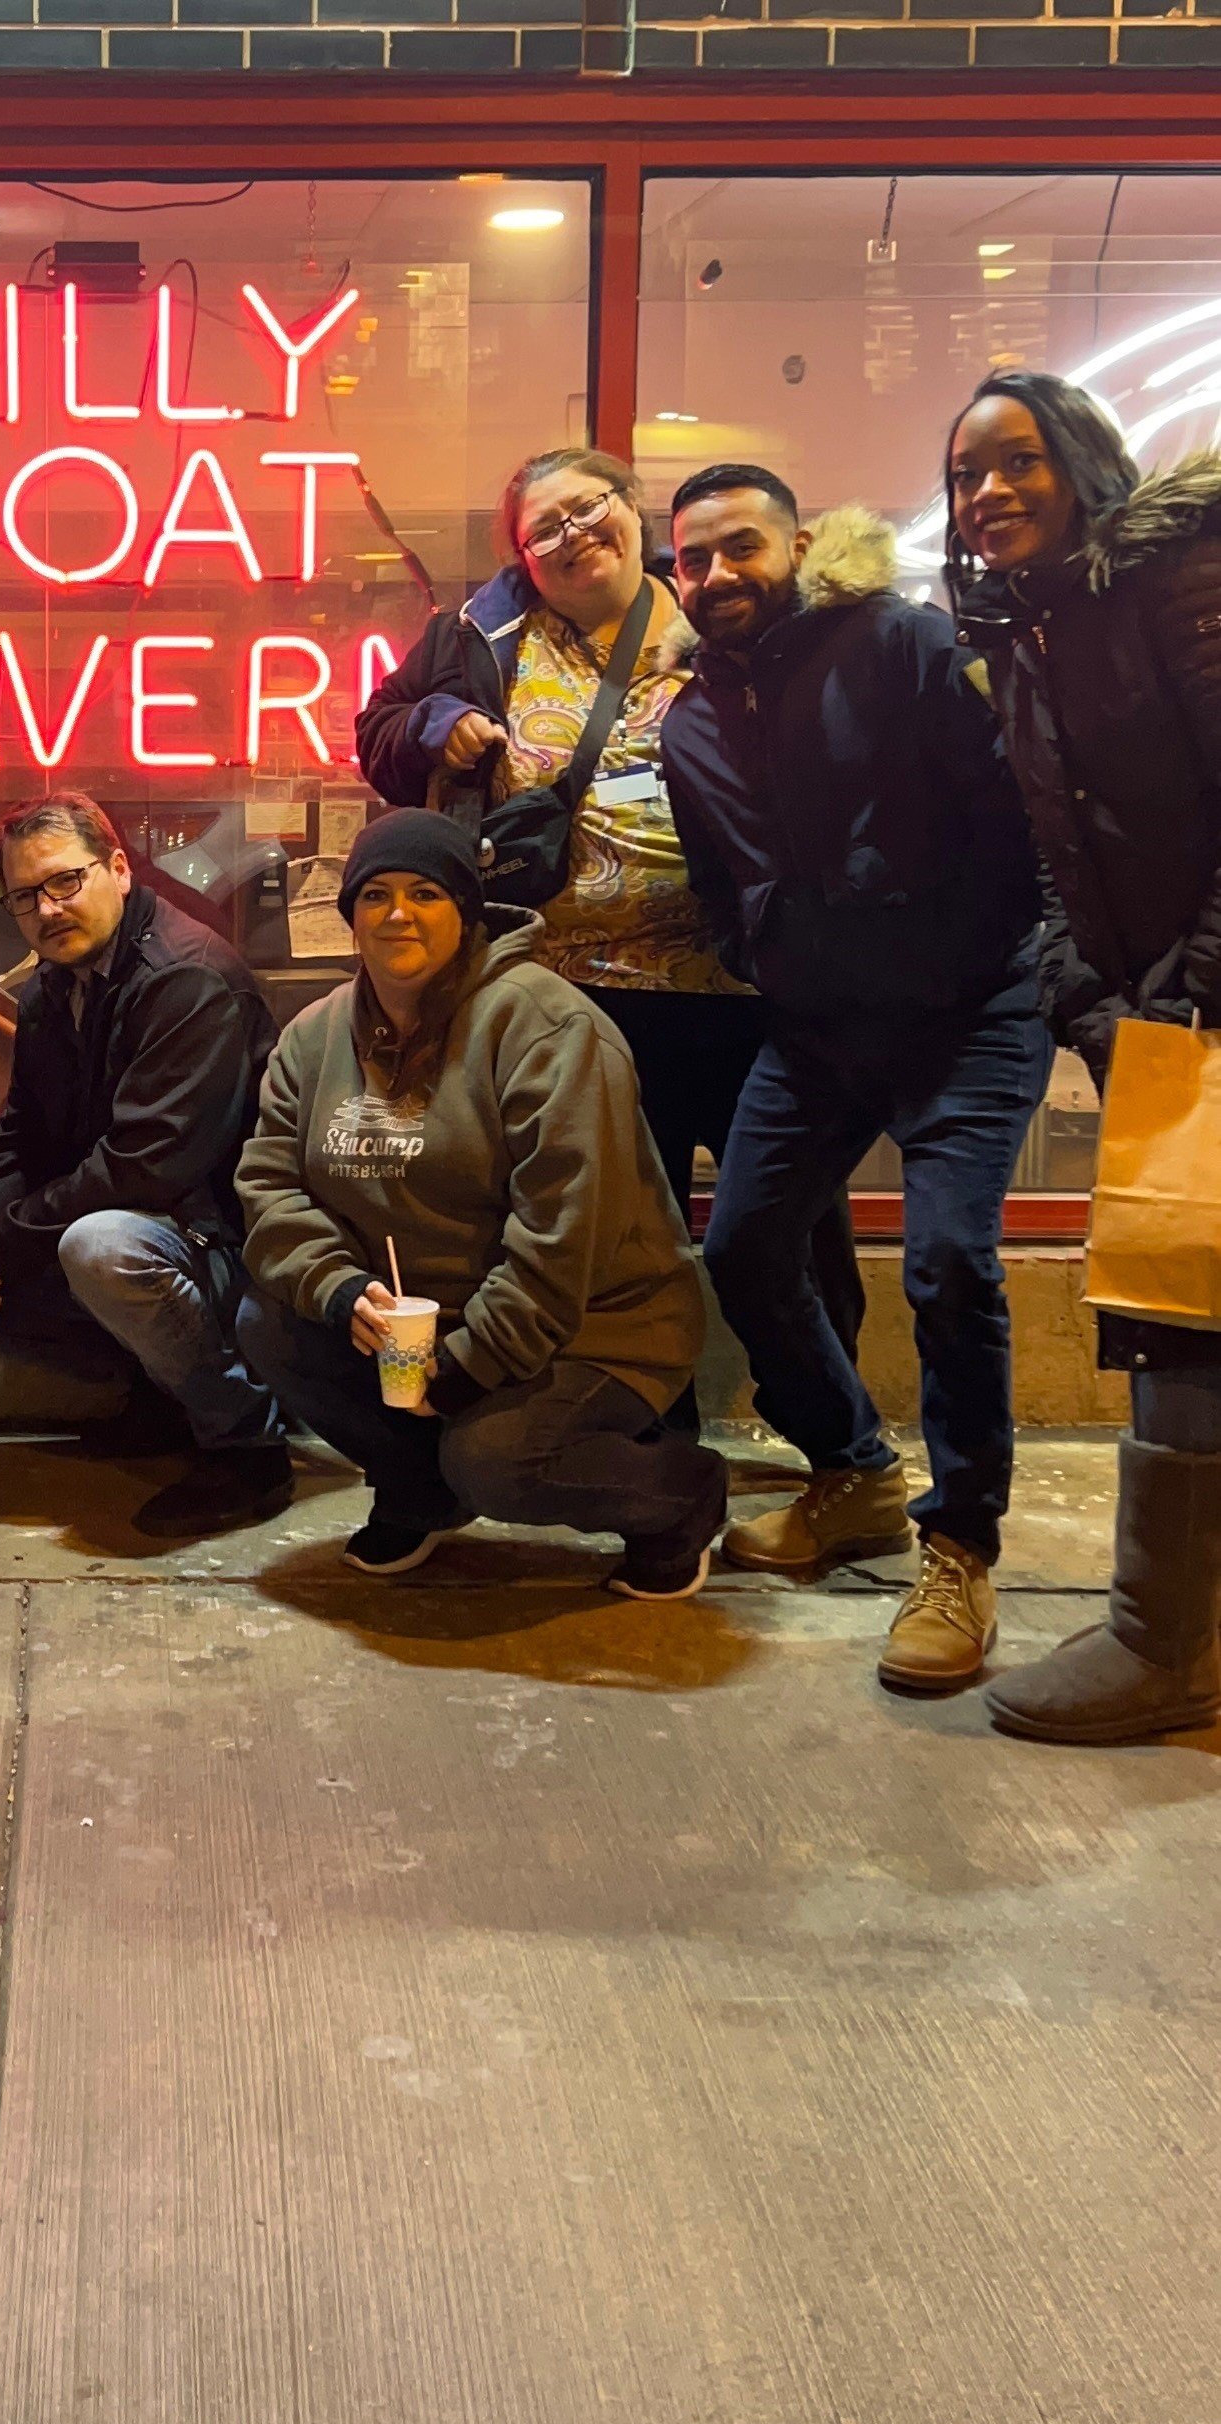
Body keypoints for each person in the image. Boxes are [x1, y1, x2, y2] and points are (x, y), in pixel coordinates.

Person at [660, 463, 1049, 1695]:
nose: (716, 575)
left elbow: (1019, 814)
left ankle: (961, 1549)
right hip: (818, 1020)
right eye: (694, 559)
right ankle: (854, 1469)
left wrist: (978, 947)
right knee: (746, 1246)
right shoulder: (688, 721)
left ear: (800, 544)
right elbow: (720, 884)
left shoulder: (902, 645)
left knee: (947, 1261)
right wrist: (764, 953)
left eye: (740, 548)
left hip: (971, 1009)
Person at [355, 439, 862, 1374]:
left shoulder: (728, 612)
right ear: (522, 556)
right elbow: (378, 733)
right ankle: (650, 1429)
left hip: (750, 986)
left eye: (589, 507)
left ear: (637, 512)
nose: (573, 534)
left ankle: (837, 1436)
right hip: (583, 1003)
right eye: (544, 527)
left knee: (792, 1225)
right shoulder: (482, 636)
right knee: (627, 1242)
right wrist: (433, 722)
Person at [235, 812, 722, 1587]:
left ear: (466, 912)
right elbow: (268, 1184)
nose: (398, 914)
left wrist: (468, 1366)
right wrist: (339, 1290)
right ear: (351, 916)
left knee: (494, 1462)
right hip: (417, 1324)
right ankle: (419, 1492)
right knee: (270, 1323)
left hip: (594, 1327)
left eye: (426, 893)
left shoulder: (549, 1028)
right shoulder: (312, 1038)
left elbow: (563, 1236)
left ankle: (680, 1497)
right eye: (376, 896)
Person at [947, 372, 1221, 1742]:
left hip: (1198, 1020)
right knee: (1179, 1302)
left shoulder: (1175, 580)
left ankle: (1161, 1642)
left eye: (1015, 462)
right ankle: (1173, 1625)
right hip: (1152, 1021)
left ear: (1080, 460)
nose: (988, 492)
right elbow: (1062, 843)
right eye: (966, 477)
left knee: (1185, 1316)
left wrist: (1181, 1002)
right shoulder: (1033, 624)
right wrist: (1084, 994)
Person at [0, 792, 292, 1543]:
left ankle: (249, 1444)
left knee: (102, 1247)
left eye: (65, 882)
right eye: (25, 896)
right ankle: (166, 1396)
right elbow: (18, 1138)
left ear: (118, 868)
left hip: (229, 1247)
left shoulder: (187, 978)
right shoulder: (52, 988)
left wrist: (5, 1252)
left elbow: (147, 1165)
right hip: (150, 1233)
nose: (47, 910)